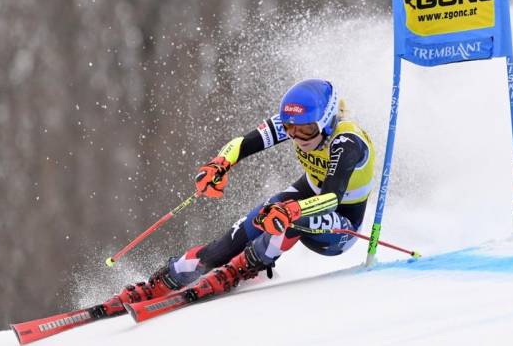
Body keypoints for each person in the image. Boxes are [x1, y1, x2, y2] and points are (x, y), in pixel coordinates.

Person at [101, 79, 375, 312]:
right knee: (249, 227)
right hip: (306, 198)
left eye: (305, 130)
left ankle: (244, 267)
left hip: (340, 225)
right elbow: (243, 143)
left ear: (325, 121)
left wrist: (293, 211)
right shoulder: (298, 124)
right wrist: (219, 164)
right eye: (290, 129)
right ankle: (167, 279)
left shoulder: (347, 142)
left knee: (285, 217)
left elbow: (332, 198)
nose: (297, 136)